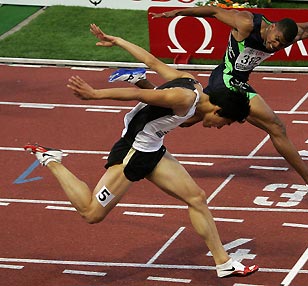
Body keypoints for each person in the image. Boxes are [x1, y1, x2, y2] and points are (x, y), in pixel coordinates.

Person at [24, 23, 258, 278]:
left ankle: (223, 263)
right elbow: (137, 96)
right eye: (225, 122)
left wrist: (118, 40)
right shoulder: (184, 98)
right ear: (218, 110)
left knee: (196, 198)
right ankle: (51, 159)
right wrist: (95, 94)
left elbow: (152, 61)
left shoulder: (193, 84)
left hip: (152, 148)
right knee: (91, 213)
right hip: (134, 152)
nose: (220, 127)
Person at [112, 6, 308, 195]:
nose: (275, 47)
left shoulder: (290, 34)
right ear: (272, 27)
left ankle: (140, 81)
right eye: (275, 40)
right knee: (275, 126)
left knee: (186, 120)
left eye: (280, 45)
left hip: (237, 81)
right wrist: (178, 12)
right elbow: (214, 12)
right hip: (227, 79)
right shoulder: (246, 23)